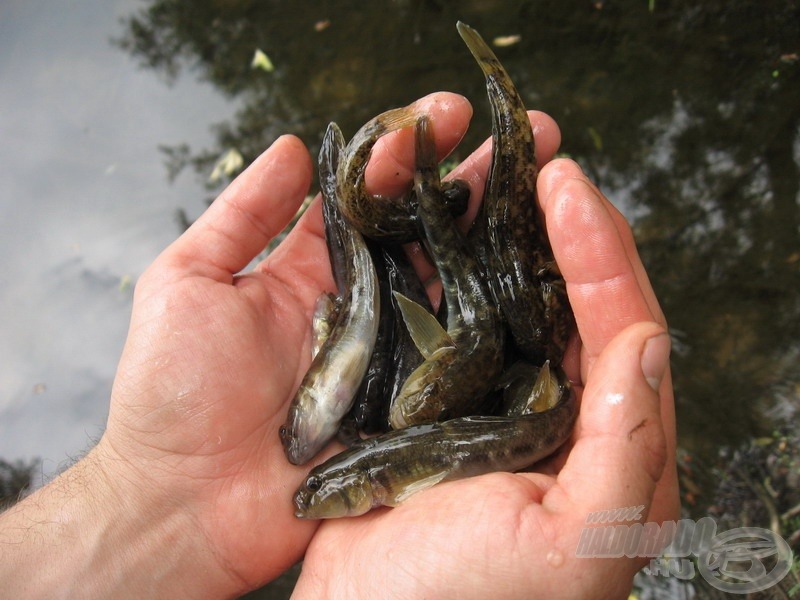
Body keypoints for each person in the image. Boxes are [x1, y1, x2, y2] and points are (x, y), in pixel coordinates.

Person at [0, 92, 678, 598]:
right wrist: (144, 488)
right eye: (324, 485)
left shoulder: (390, 430)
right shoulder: (377, 425)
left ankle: (405, 187)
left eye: (323, 486)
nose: (311, 488)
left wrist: (138, 496)